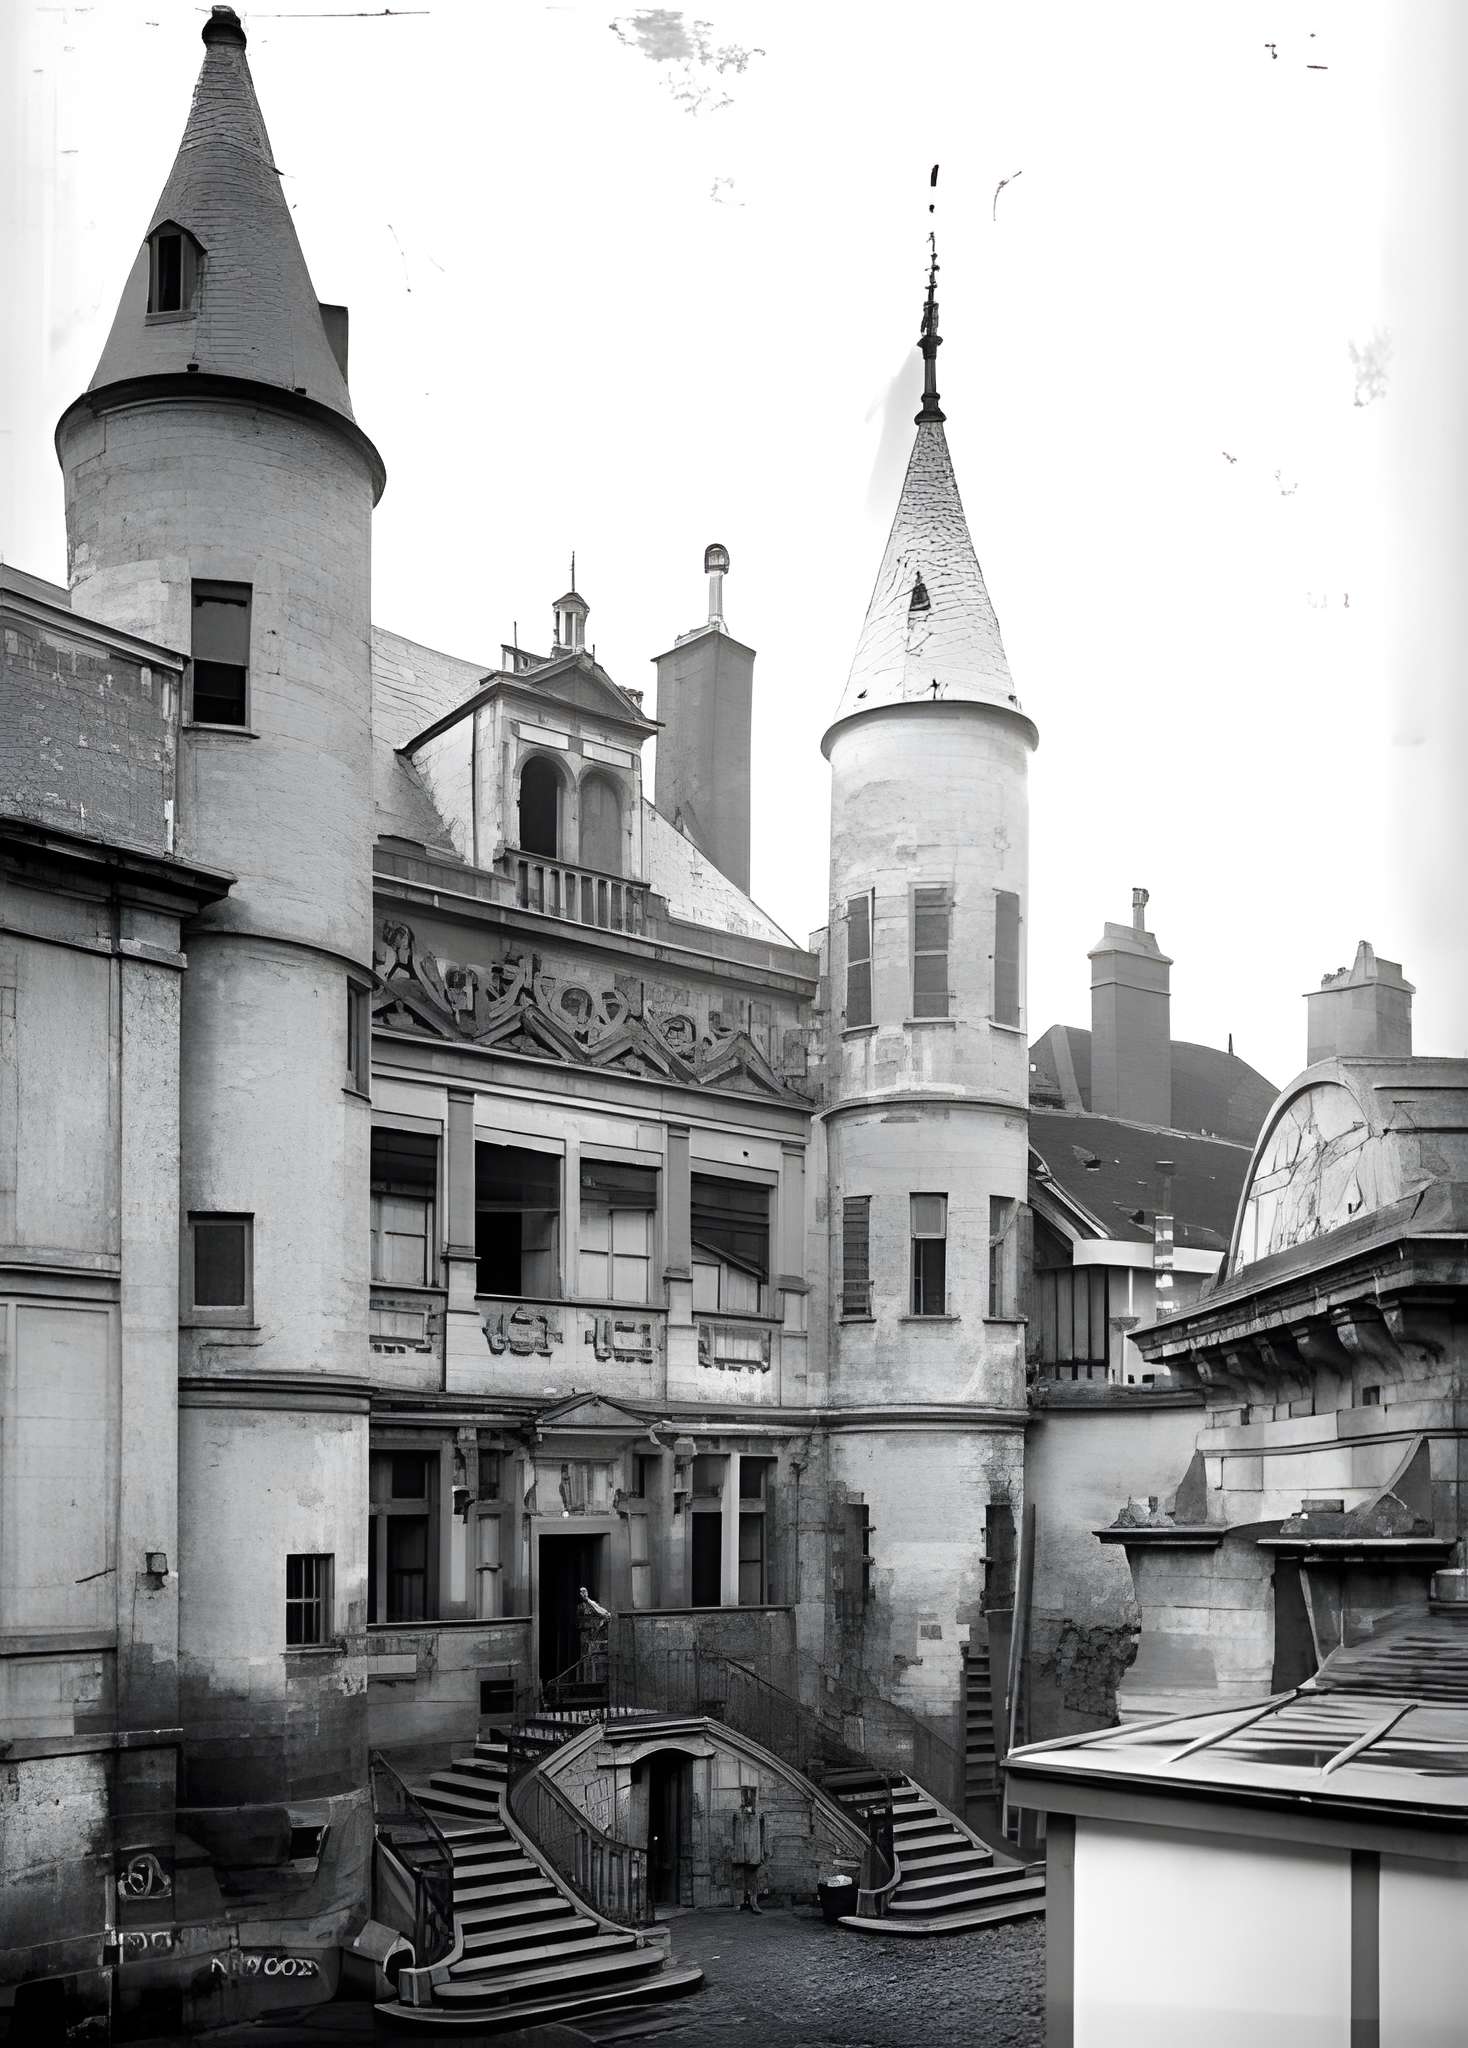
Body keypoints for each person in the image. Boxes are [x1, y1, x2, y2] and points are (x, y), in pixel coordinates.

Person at [730, 1784, 767, 1913]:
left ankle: (753, 1901)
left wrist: (762, 1852)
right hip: (741, 1851)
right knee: (739, 1877)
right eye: (746, 1795)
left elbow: (763, 1834)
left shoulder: (759, 1815)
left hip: (753, 1850)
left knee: (753, 1879)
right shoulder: (737, 1814)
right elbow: (733, 1832)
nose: (748, 1799)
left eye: (751, 1795)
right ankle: (740, 1901)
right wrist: (735, 1852)